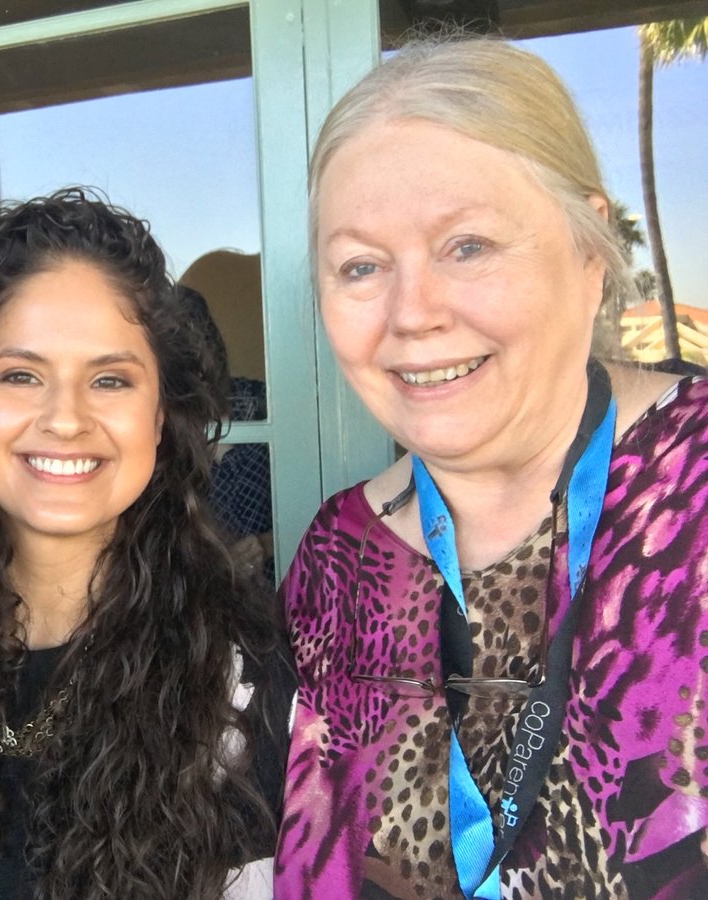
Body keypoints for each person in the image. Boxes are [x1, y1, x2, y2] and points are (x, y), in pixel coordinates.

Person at [275, 36, 708, 898]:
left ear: (591, 252)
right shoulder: (338, 557)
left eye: (467, 246)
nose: (413, 313)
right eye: (361, 266)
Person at [0, 188, 296, 899]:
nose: (65, 419)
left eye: (110, 379)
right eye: (21, 375)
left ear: (158, 416)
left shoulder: (239, 680)